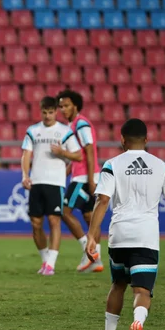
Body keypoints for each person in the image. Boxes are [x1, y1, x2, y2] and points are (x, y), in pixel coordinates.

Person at [86, 118, 165, 330]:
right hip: (146, 237)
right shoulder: (162, 166)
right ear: (147, 140)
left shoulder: (112, 164)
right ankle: (137, 323)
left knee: (118, 284)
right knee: (142, 291)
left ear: (122, 140)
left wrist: (92, 236)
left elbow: (102, 200)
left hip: (119, 235)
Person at [21, 96, 82, 276]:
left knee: (54, 220)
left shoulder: (64, 132)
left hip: (55, 182)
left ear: (56, 112)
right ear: (40, 112)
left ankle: (50, 265)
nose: (48, 116)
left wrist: (62, 152)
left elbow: (78, 156)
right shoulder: (33, 131)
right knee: (36, 223)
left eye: (51, 112)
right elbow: (26, 155)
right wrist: (25, 175)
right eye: (45, 112)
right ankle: (45, 259)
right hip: (37, 181)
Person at [57, 90, 104, 273]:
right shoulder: (73, 125)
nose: (63, 109)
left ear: (75, 106)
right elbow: (80, 156)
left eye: (66, 105)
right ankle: (96, 260)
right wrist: (66, 171)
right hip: (84, 174)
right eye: (60, 106)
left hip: (85, 177)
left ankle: (90, 251)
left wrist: (91, 178)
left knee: (64, 211)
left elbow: (90, 150)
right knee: (89, 217)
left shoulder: (81, 124)